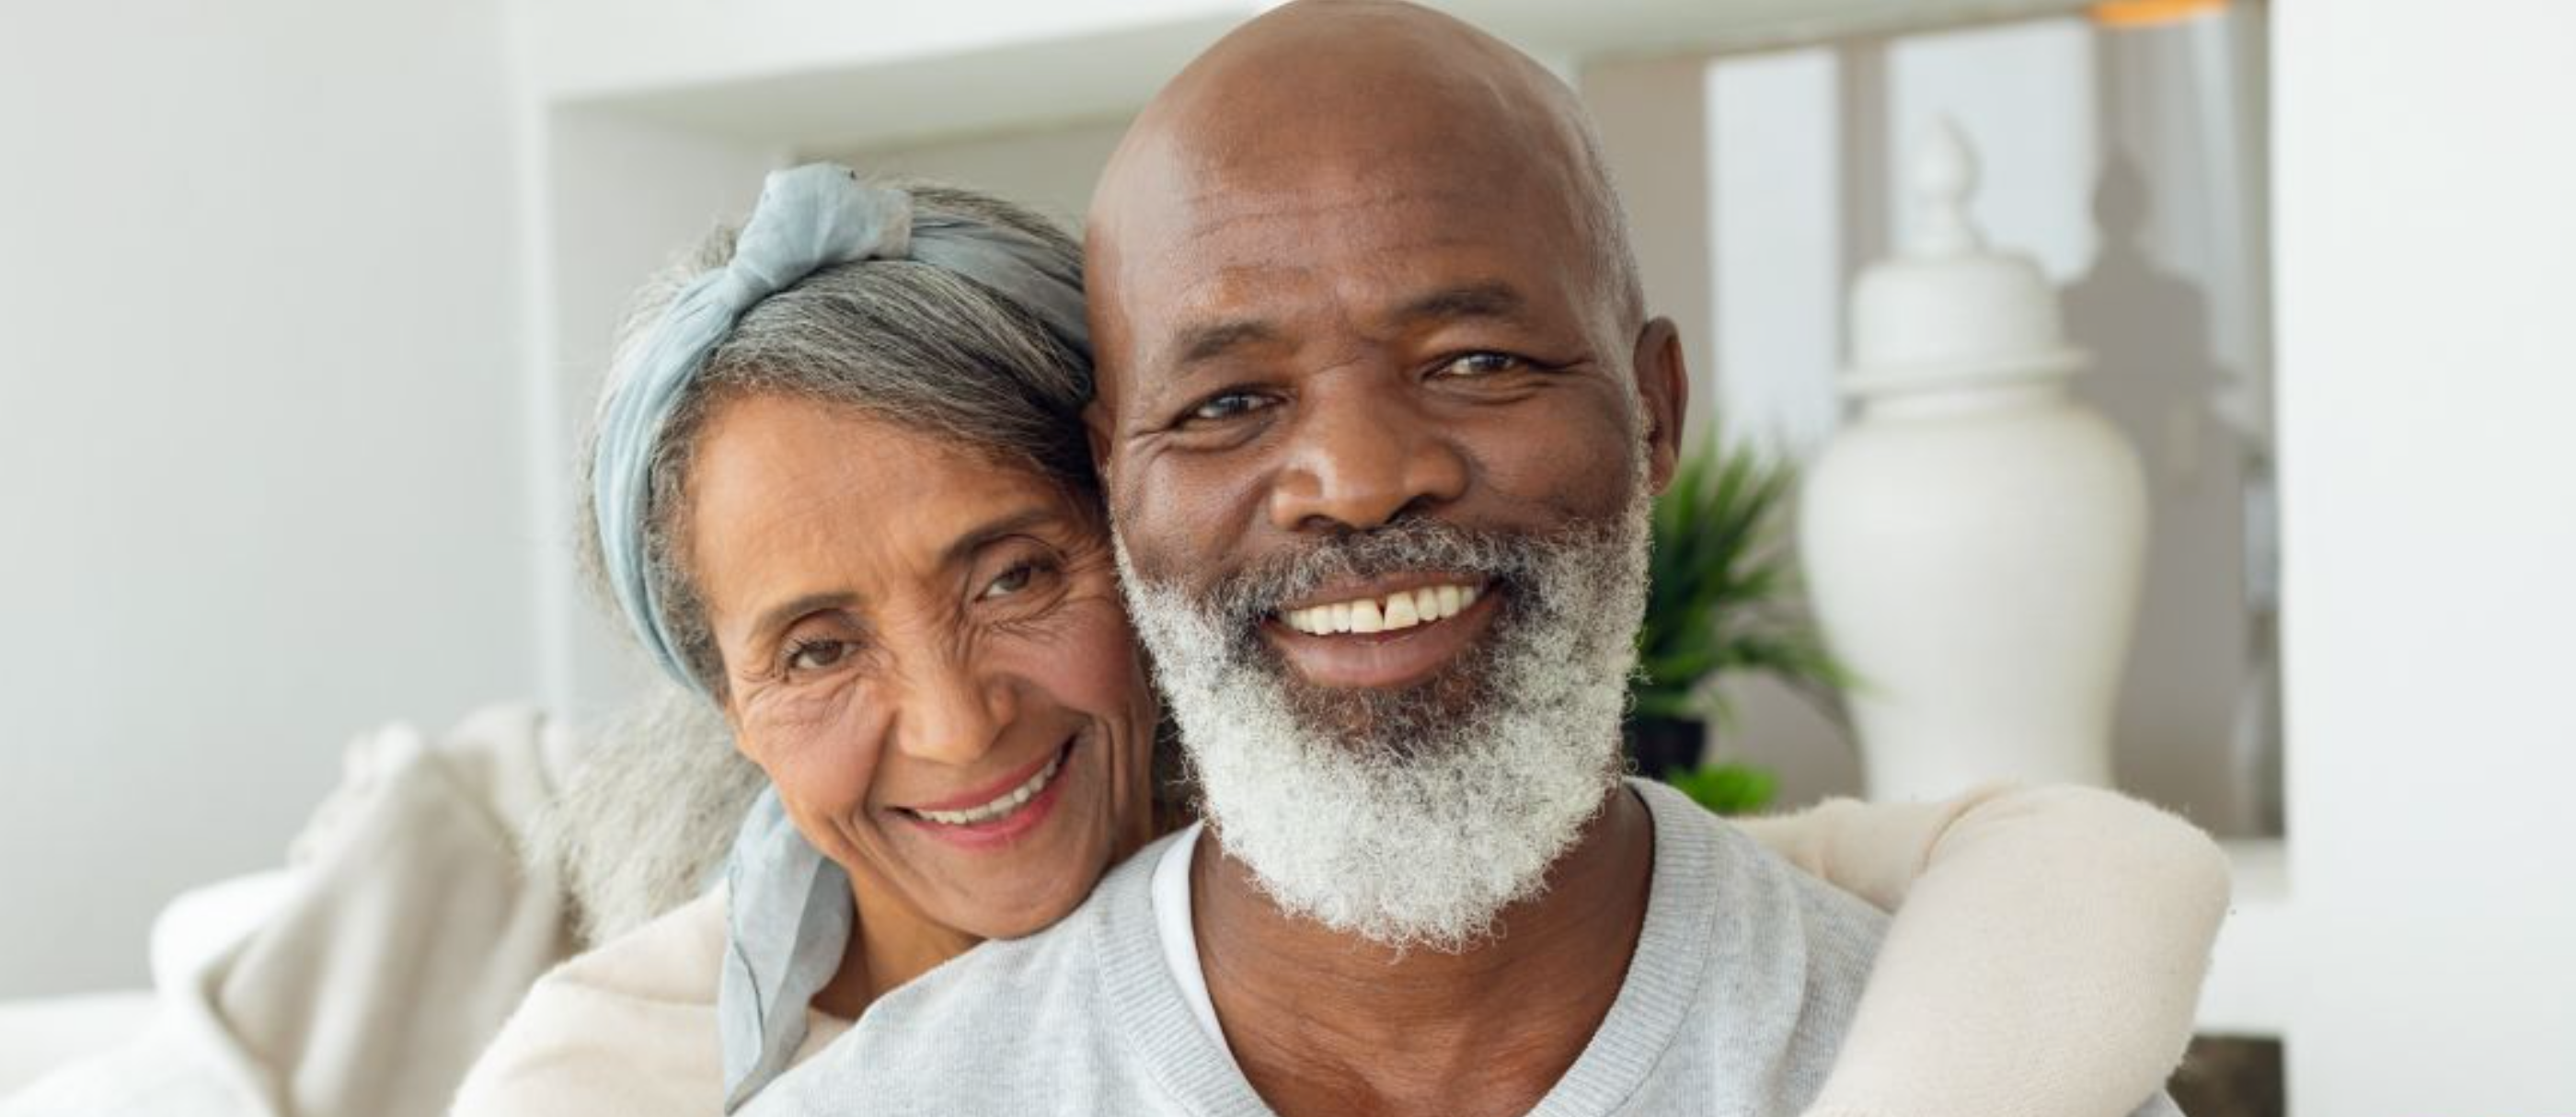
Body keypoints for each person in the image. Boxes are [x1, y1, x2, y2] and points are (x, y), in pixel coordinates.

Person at [455, 127, 2221, 1117]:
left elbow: (2065, 861)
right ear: (727, 700)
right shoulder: (618, 1074)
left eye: (1011, 575)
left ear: (1139, 531)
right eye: (816, 646)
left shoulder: (1383, 846)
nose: (953, 719)